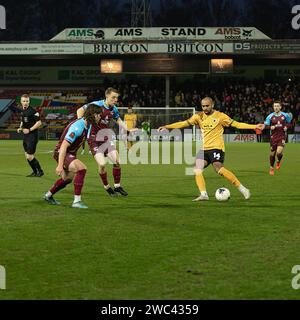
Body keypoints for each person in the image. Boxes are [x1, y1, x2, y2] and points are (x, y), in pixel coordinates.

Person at [158, 96, 265, 201]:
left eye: (207, 106)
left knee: (218, 168)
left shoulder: (220, 116)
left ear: (212, 105)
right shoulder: (198, 116)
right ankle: (203, 194)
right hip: (204, 148)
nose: (205, 108)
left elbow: (237, 124)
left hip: (216, 147)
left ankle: (243, 189)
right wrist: (167, 127)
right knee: (197, 169)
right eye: (203, 106)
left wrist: (254, 126)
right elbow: (183, 123)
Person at [44, 104, 102, 209]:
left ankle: (48, 195)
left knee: (67, 178)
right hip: (62, 152)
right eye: (98, 115)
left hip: (69, 153)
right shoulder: (78, 126)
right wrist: (60, 166)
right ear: (92, 115)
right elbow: (63, 146)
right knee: (81, 168)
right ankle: (76, 202)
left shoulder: (88, 125)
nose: (100, 117)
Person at [77, 87, 132, 197]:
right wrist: (81, 124)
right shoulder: (96, 105)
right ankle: (107, 186)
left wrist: (127, 129)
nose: (115, 100)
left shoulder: (114, 109)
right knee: (102, 164)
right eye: (113, 97)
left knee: (116, 161)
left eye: (116, 98)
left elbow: (118, 119)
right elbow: (80, 110)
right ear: (106, 96)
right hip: (93, 139)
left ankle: (117, 186)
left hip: (106, 138)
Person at [17, 94, 44, 177]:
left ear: (29, 101)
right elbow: (23, 121)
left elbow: (39, 123)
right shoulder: (23, 111)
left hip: (32, 135)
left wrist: (29, 129)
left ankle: (40, 171)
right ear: (21, 102)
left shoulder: (33, 111)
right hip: (26, 136)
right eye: (24, 101)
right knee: (27, 155)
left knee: (29, 156)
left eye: (27, 101)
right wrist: (20, 127)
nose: (25, 103)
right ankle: (34, 172)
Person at [264, 101, 292, 175]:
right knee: (272, 154)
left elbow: (289, 123)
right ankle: (271, 167)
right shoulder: (270, 116)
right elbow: (266, 126)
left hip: (282, 136)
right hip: (273, 137)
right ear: (273, 107)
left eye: (277, 106)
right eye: (275, 106)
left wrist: (286, 127)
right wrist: (270, 127)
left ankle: (278, 161)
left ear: (280, 107)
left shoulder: (285, 115)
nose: (276, 107)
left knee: (279, 153)